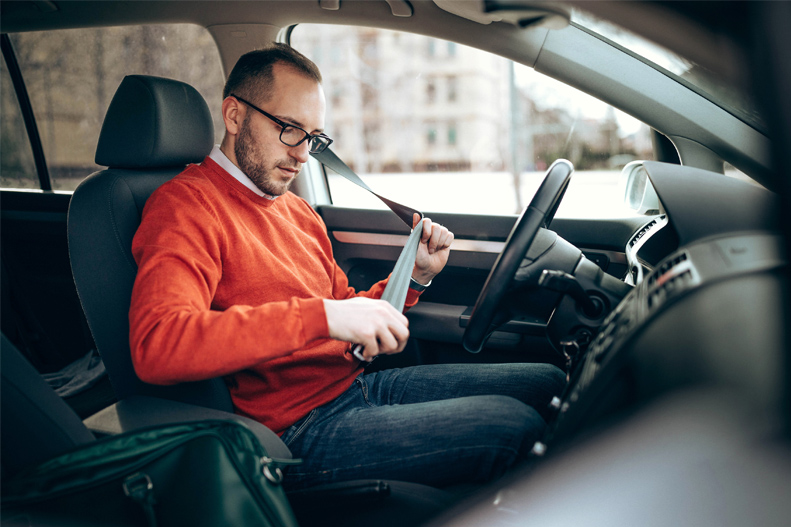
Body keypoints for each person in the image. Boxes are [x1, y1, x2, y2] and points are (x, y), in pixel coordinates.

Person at [129, 44, 566, 490]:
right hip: (295, 432)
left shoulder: (297, 211)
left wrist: (413, 277)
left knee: (549, 383)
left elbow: (344, 315)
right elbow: (159, 345)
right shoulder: (186, 206)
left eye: (314, 137)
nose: (303, 155)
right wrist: (322, 317)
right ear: (235, 116)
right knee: (513, 426)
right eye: (289, 129)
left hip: (357, 387)